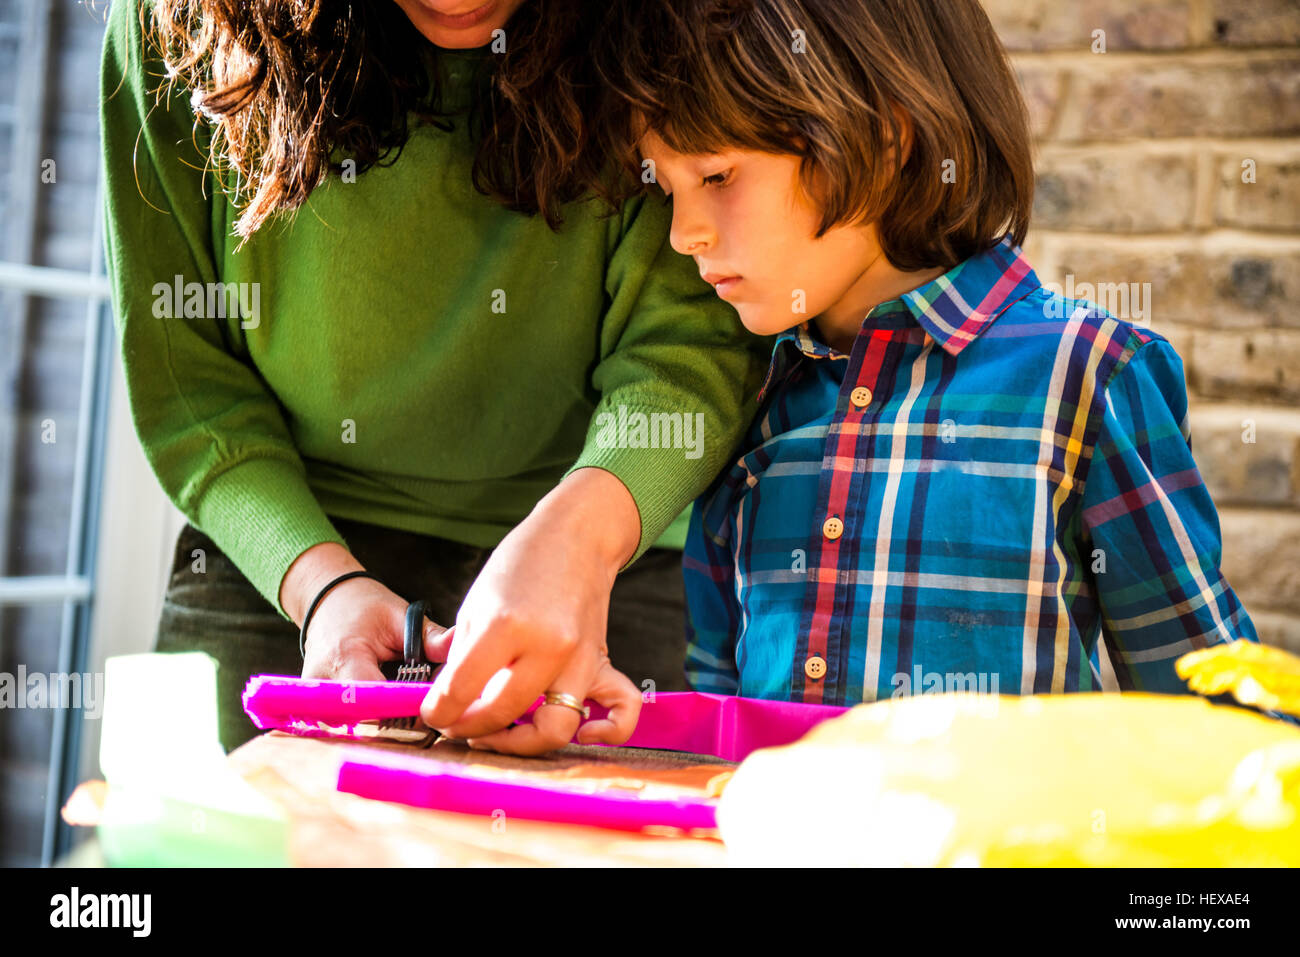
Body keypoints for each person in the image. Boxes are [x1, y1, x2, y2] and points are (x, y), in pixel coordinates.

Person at [99, 0, 764, 753]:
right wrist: (320, 586)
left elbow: (693, 346)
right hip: (279, 557)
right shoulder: (175, 22)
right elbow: (190, 386)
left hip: (615, 545)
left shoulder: (684, 20)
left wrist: (579, 541)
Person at [590, 0, 1261, 705]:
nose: (682, 234)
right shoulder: (750, 400)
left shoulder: (1091, 373)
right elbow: (721, 714)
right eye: (667, 190)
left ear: (887, 139)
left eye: (717, 176)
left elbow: (1212, 710)